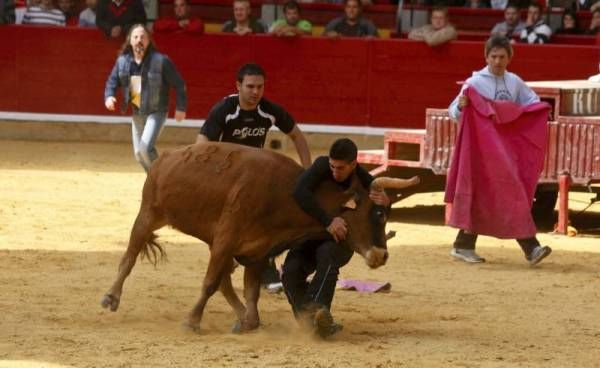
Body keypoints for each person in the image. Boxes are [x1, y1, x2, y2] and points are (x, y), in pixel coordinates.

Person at [195, 63, 312, 292]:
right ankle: (235, 261)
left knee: (266, 219)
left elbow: (297, 136)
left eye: (260, 87)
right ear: (238, 86)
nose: (255, 92)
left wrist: (307, 172)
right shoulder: (225, 110)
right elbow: (201, 146)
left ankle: (261, 269)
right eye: (250, 86)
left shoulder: (268, 109)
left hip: (256, 178)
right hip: (225, 177)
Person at [446, 35, 552, 266]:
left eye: (502, 57)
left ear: (509, 58)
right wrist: (461, 107)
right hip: (481, 153)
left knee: (490, 196)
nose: (497, 61)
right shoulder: (474, 83)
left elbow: (531, 103)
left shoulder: (514, 82)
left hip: (504, 151)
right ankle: (531, 248)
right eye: (493, 56)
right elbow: (453, 110)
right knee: (507, 194)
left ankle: (463, 245)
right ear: (486, 57)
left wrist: (539, 111)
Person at [281, 138, 390, 338]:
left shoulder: (362, 178)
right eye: (332, 166)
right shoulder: (322, 165)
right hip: (312, 235)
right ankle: (312, 323)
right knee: (290, 271)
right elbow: (299, 191)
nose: (334, 172)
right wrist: (328, 221)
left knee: (327, 255)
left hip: (339, 241)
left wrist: (386, 202)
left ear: (353, 165)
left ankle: (319, 312)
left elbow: (379, 210)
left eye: (340, 168)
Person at [104, 24, 187, 172]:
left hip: (156, 111)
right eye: (135, 37)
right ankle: (154, 182)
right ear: (130, 41)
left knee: (145, 148)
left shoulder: (161, 61)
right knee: (139, 154)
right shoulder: (123, 61)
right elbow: (112, 81)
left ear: (149, 40)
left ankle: (162, 178)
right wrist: (109, 96)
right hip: (137, 112)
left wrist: (181, 107)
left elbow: (179, 84)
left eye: (143, 37)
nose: (139, 40)